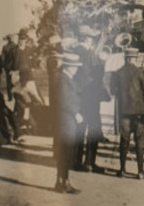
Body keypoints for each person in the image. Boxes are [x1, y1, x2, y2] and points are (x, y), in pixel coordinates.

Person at [110, 48, 144, 179]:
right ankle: (140, 171)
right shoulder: (139, 72)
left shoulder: (117, 73)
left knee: (125, 139)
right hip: (139, 111)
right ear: (134, 58)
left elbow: (113, 91)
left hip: (123, 110)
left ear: (125, 58)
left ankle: (122, 169)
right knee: (140, 140)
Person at [73, 25, 107, 173]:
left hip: (77, 98)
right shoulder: (90, 55)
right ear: (87, 39)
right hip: (91, 99)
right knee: (93, 130)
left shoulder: (73, 52)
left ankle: (75, 161)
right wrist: (104, 62)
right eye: (92, 39)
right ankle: (89, 163)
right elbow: (99, 75)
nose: (92, 42)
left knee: (78, 130)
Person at [53, 52, 84, 194]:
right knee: (65, 151)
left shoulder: (68, 78)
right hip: (65, 119)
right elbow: (63, 100)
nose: (76, 69)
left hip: (68, 119)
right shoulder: (62, 80)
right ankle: (62, 183)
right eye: (74, 66)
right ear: (68, 67)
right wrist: (76, 113)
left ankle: (63, 182)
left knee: (67, 152)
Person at [1, 33, 18, 100]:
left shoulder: (5, 47)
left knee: (8, 82)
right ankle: (16, 96)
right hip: (15, 67)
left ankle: (10, 97)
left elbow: (2, 59)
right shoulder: (16, 46)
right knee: (15, 81)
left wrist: (5, 66)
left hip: (8, 67)